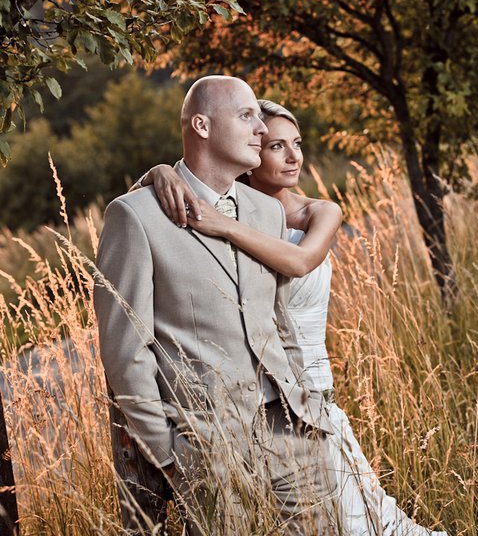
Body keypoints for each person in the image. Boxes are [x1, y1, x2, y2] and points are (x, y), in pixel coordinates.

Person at [138, 98, 448, 536]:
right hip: (248, 405)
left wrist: (223, 226)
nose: (293, 156)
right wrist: (160, 172)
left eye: (297, 144)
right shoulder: (225, 207)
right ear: (250, 152)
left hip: (309, 391)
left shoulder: (318, 212)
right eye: (275, 146)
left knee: (353, 519)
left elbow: (300, 262)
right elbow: (176, 189)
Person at [93, 76, 339, 536]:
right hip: (208, 446)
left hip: (292, 432)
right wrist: (168, 455)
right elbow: (125, 351)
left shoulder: (267, 211)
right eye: (247, 117)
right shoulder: (136, 216)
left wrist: (308, 411)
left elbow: (279, 322)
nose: (261, 130)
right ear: (202, 126)